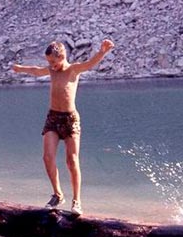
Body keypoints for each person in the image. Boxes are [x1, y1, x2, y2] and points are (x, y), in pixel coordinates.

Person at [11, 38, 115, 217]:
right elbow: (36, 71)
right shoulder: (51, 70)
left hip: (70, 119)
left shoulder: (73, 69)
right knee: (47, 157)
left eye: (53, 61)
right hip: (53, 118)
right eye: (49, 62)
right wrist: (20, 68)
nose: (51, 65)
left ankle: (77, 200)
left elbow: (89, 64)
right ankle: (58, 195)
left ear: (62, 57)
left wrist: (102, 52)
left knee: (72, 161)